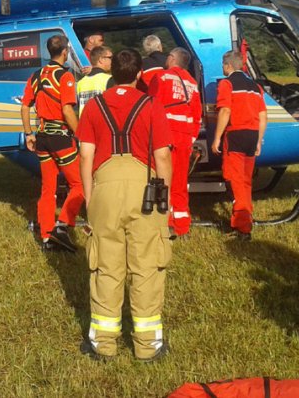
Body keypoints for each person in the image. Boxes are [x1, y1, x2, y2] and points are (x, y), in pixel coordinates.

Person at [77, 49, 173, 362]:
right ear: (140, 73)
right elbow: (162, 156)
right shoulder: (151, 105)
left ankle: (103, 345)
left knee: (106, 267)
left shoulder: (94, 106)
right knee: (147, 267)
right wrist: (165, 197)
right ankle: (148, 347)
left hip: (104, 189)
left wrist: (90, 197)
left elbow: (86, 155)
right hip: (145, 189)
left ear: (112, 72)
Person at [20, 34, 86, 252]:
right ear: (65, 52)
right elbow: (67, 110)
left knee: (48, 189)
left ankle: (47, 237)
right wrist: (81, 135)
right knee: (80, 185)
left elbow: (24, 106)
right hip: (60, 138)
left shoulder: (36, 75)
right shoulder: (65, 76)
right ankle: (62, 226)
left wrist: (28, 134)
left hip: (42, 138)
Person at [211, 50, 266, 241]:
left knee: (234, 180)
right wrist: (259, 140)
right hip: (252, 135)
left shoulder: (227, 84)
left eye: (222, 65)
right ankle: (246, 217)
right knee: (246, 180)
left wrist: (217, 137)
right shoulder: (255, 87)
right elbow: (263, 116)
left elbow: (225, 111)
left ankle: (243, 227)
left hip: (235, 135)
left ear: (228, 66)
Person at [148, 47, 202, 238]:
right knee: (180, 181)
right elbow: (197, 115)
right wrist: (191, 138)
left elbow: (152, 106)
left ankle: (166, 223)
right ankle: (183, 225)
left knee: (163, 180)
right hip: (185, 137)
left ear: (171, 58)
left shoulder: (161, 77)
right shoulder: (192, 83)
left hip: (166, 135)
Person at [76, 45, 114, 115]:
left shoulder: (80, 83)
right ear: (101, 60)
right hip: (101, 121)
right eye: (110, 58)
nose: (112, 61)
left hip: (84, 121)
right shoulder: (109, 79)